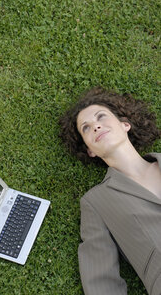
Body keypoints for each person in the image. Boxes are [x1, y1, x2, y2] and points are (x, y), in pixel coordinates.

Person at [59, 87, 161, 295]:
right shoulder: (96, 202)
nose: (96, 126)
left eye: (101, 117)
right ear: (90, 150)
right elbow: (100, 280)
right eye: (86, 128)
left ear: (125, 124)